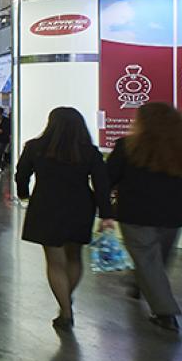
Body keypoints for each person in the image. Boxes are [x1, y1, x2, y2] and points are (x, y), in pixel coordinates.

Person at [106, 103, 182, 332]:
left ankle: (165, 313)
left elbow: (110, 176)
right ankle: (138, 284)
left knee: (148, 260)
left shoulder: (127, 146)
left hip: (135, 213)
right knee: (158, 259)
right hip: (171, 214)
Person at [15, 106, 114, 331]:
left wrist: (23, 194)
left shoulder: (35, 147)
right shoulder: (89, 151)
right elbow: (102, 184)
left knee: (54, 261)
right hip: (80, 207)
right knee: (74, 257)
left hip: (45, 206)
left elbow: (22, 175)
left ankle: (66, 311)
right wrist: (106, 214)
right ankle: (66, 300)